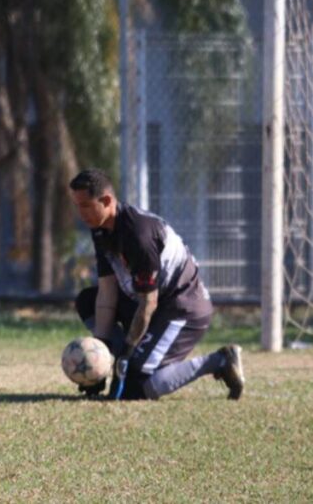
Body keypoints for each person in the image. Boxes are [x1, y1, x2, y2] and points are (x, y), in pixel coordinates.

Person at [68, 168, 245, 401]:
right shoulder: (101, 229)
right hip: (148, 302)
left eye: (86, 205)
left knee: (137, 388)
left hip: (181, 308)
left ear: (107, 200)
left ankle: (220, 361)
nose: (81, 213)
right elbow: (107, 291)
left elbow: (148, 302)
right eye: (77, 205)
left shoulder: (138, 236)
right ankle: (125, 360)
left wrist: (128, 350)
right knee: (88, 301)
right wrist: (100, 356)